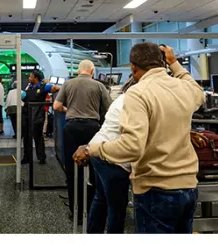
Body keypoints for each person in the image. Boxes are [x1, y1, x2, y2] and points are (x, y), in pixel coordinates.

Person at [75, 44, 205, 234]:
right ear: (163, 62)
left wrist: (91, 149)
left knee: (110, 204)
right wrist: (175, 63)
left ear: (133, 68)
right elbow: (197, 95)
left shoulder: (138, 93)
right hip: (188, 187)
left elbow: (132, 147)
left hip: (156, 187)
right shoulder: (182, 86)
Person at [74, 78, 136, 233]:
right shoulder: (134, 101)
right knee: (117, 208)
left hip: (98, 149)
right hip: (113, 158)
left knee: (101, 198)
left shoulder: (122, 98)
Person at [53, 60, 111, 224]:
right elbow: (110, 109)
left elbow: (57, 106)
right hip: (92, 129)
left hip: (71, 128)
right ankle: (91, 211)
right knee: (94, 170)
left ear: (79, 71)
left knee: (72, 170)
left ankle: (75, 212)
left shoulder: (68, 84)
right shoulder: (99, 86)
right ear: (92, 71)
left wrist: (69, 110)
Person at [22, 70, 60, 165]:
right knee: (26, 138)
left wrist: (57, 89)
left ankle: (41, 157)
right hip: (27, 114)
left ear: (36, 78)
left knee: (38, 137)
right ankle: (26, 157)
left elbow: (56, 88)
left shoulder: (44, 87)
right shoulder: (28, 87)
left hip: (38, 115)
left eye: (31, 77)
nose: (29, 78)